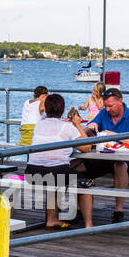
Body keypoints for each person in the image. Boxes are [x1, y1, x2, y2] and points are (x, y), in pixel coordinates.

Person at [72, 87, 129, 223]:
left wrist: (115, 136)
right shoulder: (103, 113)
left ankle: (118, 210)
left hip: (127, 158)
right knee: (76, 166)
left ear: (120, 102)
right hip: (104, 157)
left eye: (110, 106)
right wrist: (89, 127)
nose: (108, 109)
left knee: (120, 165)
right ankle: (79, 208)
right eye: (105, 106)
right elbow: (85, 133)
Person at [26, 93, 88, 229]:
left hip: (32, 172)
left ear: (46, 109)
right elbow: (87, 147)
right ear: (63, 109)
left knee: (52, 176)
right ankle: (88, 223)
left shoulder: (39, 125)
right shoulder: (68, 127)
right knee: (85, 180)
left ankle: (52, 219)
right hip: (55, 174)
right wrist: (77, 125)